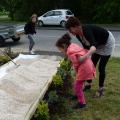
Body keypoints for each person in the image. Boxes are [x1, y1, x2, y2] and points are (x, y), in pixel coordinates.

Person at [65, 16, 115, 98]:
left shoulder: (87, 31)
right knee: (91, 64)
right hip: (97, 44)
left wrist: (85, 57)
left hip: (107, 43)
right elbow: (86, 47)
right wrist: (78, 56)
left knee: (101, 68)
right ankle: (88, 84)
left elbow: (93, 46)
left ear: (76, 26)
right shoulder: (78, 35)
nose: (70, 32)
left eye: (71, 29)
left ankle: (101, 89)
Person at [55, 33, 95, 109]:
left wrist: (76, 71)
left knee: (77, 86)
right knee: (78, 83)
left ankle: (82, 103)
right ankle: (77, 95)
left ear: (64, 46)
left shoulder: (70, 52)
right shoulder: (72, 45)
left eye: (60, 49)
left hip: (84, 68)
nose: (60, 51)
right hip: (87, 64)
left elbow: (77, 62)